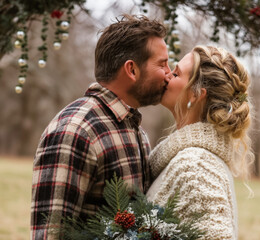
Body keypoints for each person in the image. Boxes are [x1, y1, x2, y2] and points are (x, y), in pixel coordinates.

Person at [31, 15, 171, 239]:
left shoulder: (136, 130)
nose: (169, 73)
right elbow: (51, 234)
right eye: (162, 64)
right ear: (132, 70)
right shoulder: (75, 130)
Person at [146, 45, 254, 239]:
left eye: (176, 74)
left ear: (196, 95)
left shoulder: (195, 166)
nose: (167, 76)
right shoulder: (191, 157)